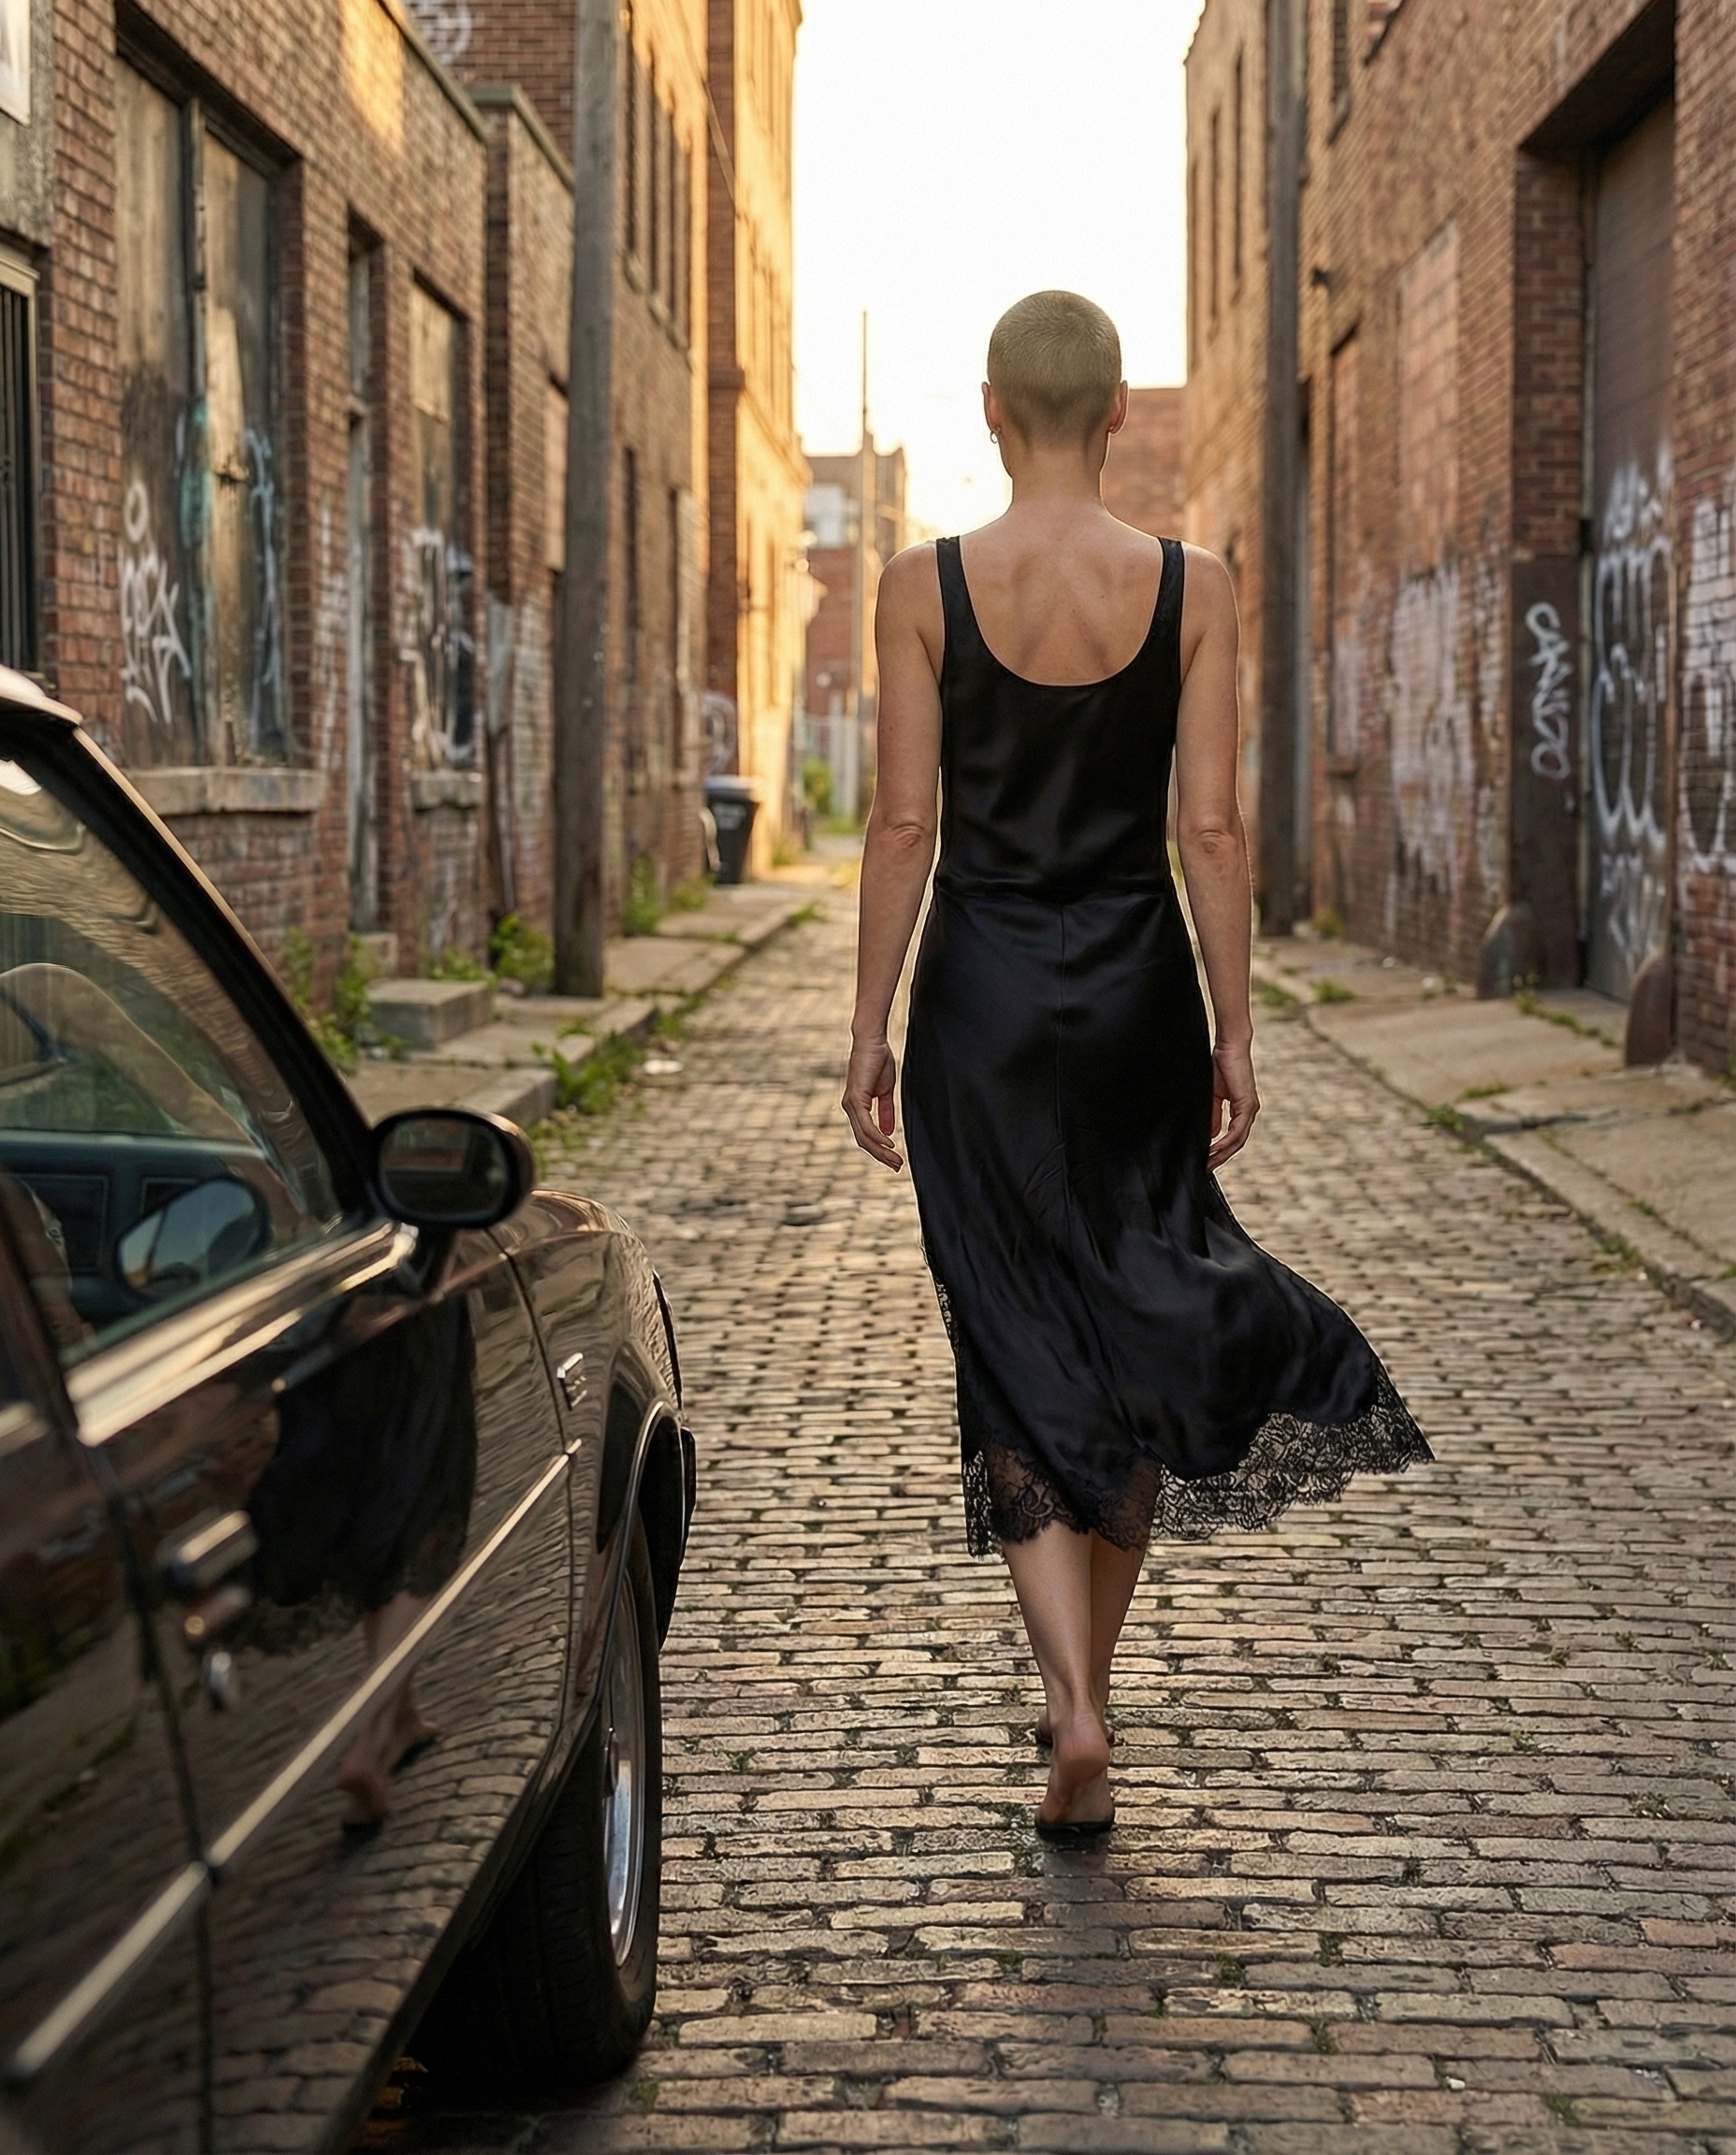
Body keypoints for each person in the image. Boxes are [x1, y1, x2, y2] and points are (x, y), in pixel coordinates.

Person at [842, 292, 1430, 1844]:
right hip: (1131, 993)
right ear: (1114, 413)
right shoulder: (1194, 587)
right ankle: (1084, 1701)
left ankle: (1075, 1708)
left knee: (1013, 1334)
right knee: (1124, 1316)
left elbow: (904, 823)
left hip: (975, 997)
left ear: (986, 411)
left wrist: (868, 1030)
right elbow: (1214, 830)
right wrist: (1237, 1026)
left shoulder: (920, 584)